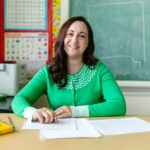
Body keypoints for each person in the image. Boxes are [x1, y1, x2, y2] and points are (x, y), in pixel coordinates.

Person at [11, 16, 126, 123]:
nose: (74, 40)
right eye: (70, 34)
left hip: (94, 136)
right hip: (58, 136)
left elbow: (119, 104)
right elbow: (18, 100)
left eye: (82, 36)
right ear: (62, 39)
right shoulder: (48, 72)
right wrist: (33, 112)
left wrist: (75, 111)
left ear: (88, 43)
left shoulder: (100, 70)